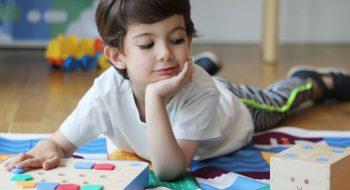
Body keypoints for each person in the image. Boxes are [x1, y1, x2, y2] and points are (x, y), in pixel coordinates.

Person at [4, 0, 350, 181]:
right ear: (116, 56)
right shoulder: (105, 93)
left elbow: (169, 170)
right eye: (147, 43)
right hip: (181, 84)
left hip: (235, 110)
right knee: (174, 70)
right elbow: (60, 142)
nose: (166, 52)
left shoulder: (201, 91)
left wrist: (155, 97)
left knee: (282, 100)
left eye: (176, 39)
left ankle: (312, 80)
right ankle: (203, 63)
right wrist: (44, 152)